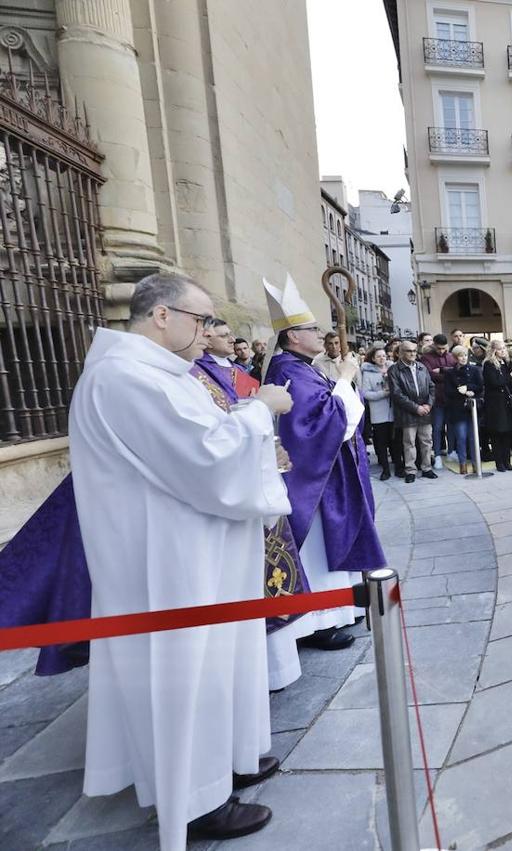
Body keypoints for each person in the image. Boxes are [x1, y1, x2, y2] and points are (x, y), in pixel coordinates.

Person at [70, 273, 292, 847]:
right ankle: (196, 801)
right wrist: (262, 409)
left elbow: (207, 437)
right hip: (165, 563)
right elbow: (207, 454)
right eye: (203, 319)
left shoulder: (162, 374)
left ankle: (229, 760)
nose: (211, 331)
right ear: (161, 315)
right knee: (185, 670)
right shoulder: (126, 378)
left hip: (197, 548)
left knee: (215, 663)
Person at [264, 277, 386, 683]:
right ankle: (320, 621)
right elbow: (326, 424)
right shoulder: (290, 372)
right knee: (319, 546)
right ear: (294, 336)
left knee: (334, 541)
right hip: (317, 481)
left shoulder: (303, 367)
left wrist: (342, 381)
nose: (321, 335)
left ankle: (340, 609)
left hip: (333, 473)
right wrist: (347, 378)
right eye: (313, 329)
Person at [389, 340, 437, 482]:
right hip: (407, 412)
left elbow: (432, 387)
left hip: (425, 411)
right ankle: (410, 470)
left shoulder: (421, 367)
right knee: (409, 443)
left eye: (414, 351)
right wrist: (416, 408)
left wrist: (428, 405)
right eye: (409, 351)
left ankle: (427, 468)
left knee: (427, 441)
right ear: (400, 353)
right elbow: (396, 394)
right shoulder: (394, 370)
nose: (412, 354)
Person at [445, 345, 484, 473]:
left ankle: (475, 462)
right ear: (455, 358)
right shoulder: (450, 373)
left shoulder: (474, 370)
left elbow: (480, 386)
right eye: (461, 356)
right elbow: (448, 391)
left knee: (474, 437)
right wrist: (461, 392)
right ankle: (462, 463)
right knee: (461, 437)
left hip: (472, 408)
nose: (463, 358)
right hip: (458, 408)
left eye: (465, 355)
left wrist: (468, 388)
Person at [421, 333, 456, 469]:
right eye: (439, 348)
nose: (441, 351)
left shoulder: (450, 356)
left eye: (443, 348)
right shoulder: (426, 358)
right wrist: (448, 374)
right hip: (436, 399)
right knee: (437, 428)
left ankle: (452, 451)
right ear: (434, 345)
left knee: (451, 426)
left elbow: (455, 372)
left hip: (450, 398)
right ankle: (437, 455)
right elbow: (429, 375)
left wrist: (441, 371)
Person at [361, 346, 396, 480]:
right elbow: (365, 393)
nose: (382, 358)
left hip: (393, 411)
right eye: (378, 356)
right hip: (378, 412)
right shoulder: (368, 373)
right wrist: (383, 393)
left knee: (395, 441)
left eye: (384, 356)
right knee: (381, 442)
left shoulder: (392, 369)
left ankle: (398, 465)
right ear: (373, 359)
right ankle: (385, 469)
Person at [483, 339, 512, 471]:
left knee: (507, 432)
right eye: (499, 348)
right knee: (497, 433)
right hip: (495, 403)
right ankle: (499, 462)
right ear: (493, 351)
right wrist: (509, 377)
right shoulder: (489, 364)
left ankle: (507, 461)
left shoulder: (506, 363)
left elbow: (510, 381)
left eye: (504, 348)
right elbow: (494, 382)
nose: (503, 350)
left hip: (506, 402)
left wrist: (510, 377)